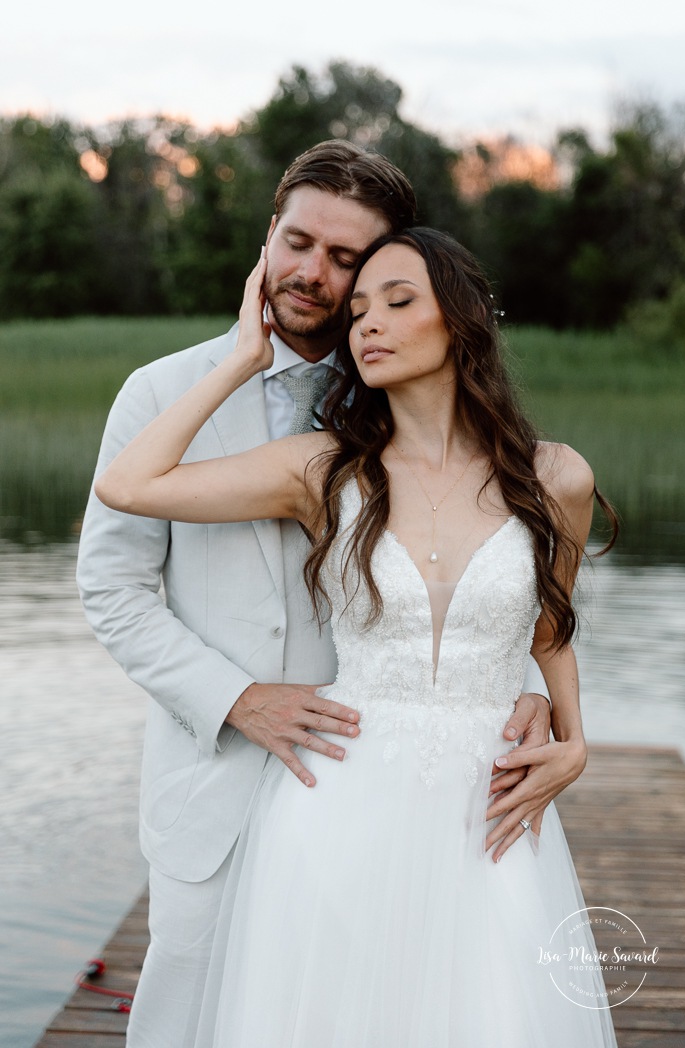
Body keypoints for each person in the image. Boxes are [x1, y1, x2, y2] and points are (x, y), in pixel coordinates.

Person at [78, 142, 574, 1047]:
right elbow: (111, 590)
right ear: (268, 234)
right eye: (298, 241)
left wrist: (530, 694)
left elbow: (511, 585)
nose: (313, 273)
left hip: (385, 786)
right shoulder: (160, 392)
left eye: (347, 261)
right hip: (217, 780)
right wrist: (236, 700)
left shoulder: (397, 389)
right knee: (189, 1016)